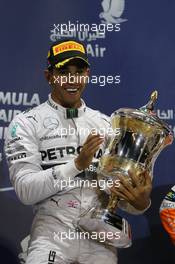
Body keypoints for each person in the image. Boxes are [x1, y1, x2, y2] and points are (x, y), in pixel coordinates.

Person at [5, 39, 152, 264]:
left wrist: (139, 202)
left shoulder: (107, 125)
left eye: (79, 71)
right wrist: (76, 165)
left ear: (88, 74)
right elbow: (26, 191)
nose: (72, 80)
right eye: (64, 72)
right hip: (51, 238)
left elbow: (120, 198)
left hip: (100, 241)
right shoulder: (26, 123)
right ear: (49, 76)